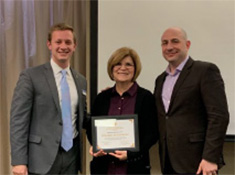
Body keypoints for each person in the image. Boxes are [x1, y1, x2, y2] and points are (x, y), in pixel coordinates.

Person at [10, 23, 87, 175]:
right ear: (49, 44)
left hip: (72, 158)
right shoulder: (31, 76)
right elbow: (18, 120)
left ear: (74, 46)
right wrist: (19, 161)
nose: (63, 46)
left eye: (68, 42)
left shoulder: (80, 80)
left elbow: (81, 116)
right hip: (40, 159)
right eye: (58, 42)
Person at [154, 27, 229, 175]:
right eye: (164, 43)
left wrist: (210, 158)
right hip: (168, 161)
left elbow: (219, 116)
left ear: (187, 45)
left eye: (175, 41)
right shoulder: (160, 79)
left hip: (199, 162)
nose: (169, 47)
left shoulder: (205, 71)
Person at [86, 47, 158, 175]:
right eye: (118, 64)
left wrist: (131, 153)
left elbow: (152, 134)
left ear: (135, 69)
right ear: (111, 68)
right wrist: (96, 145)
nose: (123, 68)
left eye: (128, 64)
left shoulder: (146, 98)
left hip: (134, 167)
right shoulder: (102, 98)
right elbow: (92, 128)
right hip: (104, 167)